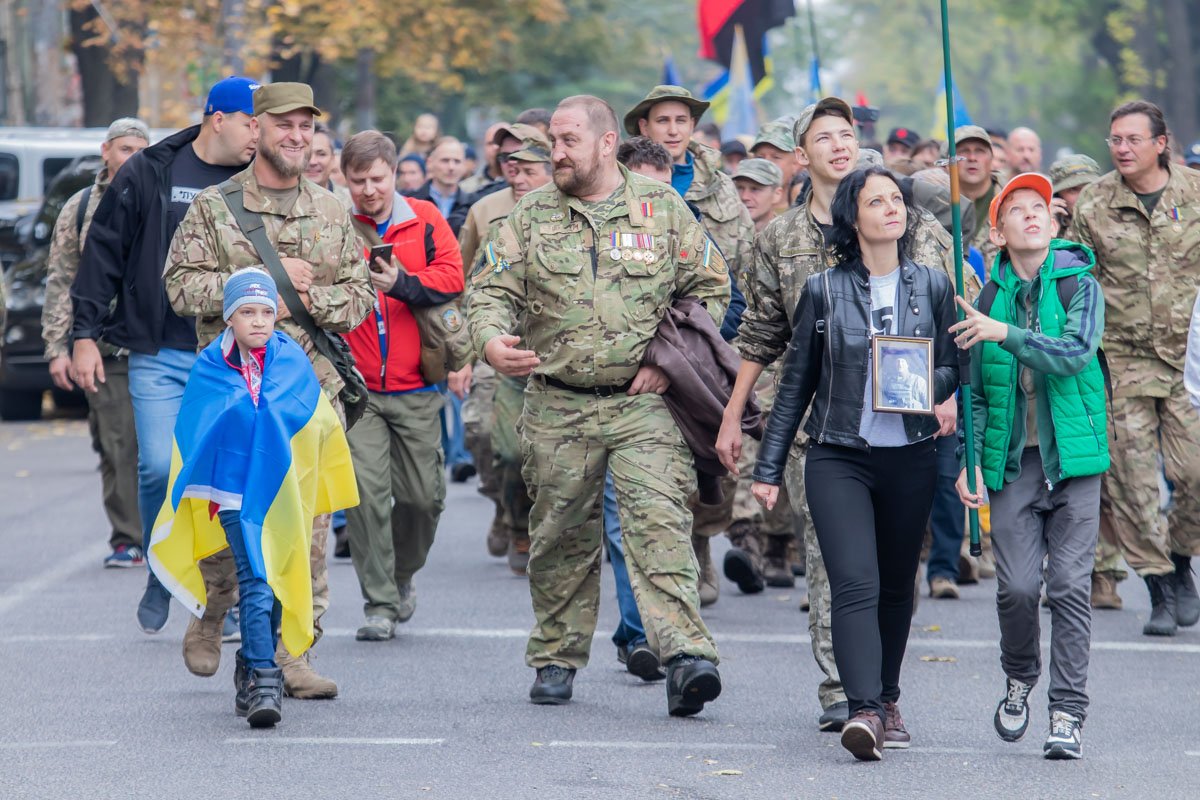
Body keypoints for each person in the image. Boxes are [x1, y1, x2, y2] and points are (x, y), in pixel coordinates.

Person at [467, 94, 729, 715]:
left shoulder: (661, 209)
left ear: (607, 143)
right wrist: (490, 341)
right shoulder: (528, 218)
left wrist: (671, 362)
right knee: (560, 534)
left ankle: (687, 655)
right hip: (557, 404)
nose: (554, 153)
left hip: (643, 405)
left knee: (659, 525)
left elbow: (710, 289)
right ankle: (556, 655)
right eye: (552, 142)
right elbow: (488, 291)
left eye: (567, 142)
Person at [718, 97, 970, 733]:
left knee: (890, 577)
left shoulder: (926, 245)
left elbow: (954, 337)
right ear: (801, 156)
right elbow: (766, 336)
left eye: (847, 133)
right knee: (841, 568)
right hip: (821, 432)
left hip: (908, 440)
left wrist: (942, 392)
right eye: (823, 136)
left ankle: (881, 692)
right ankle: (850, 696)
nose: (839, 144)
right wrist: (735, 415)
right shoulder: (780, 239)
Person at [163, 81, 375, 697]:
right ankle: (215, 606)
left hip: (308, 397)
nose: (297, 137)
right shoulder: (214, 207)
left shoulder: (333, 211)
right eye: (284, 125)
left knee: (306, 526)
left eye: (307, 127)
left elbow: (360, 298)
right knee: (231, 519)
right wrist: (261, 290)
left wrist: (310, 298)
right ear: (255, 130)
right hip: (233, 395)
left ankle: (293, 652)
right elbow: (180, 287)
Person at [71, 75, 259, 642]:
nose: (261, 134)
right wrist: (83, 334)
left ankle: (214, 589)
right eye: (253, 122)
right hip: (157, 349)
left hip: (226, 354)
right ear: (217, 118)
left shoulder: (257, 180)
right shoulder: (151, 169)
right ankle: (160, 561)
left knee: (221, 476)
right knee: (157, 465)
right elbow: (103, 251)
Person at [148, 269, 358, 728]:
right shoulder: (210, 366)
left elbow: (317, 422)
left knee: (282, 575)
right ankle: (265, 678)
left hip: (284, 491)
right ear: (228, 318)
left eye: (266, 311)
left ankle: (248, 664)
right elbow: (196, 429)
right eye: (247, 312)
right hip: (231, 492)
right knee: (256, 577)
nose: (259, 321)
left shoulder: (292, 361)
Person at [953, 172, 1108, 760]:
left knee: (1069, 586)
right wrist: (970, 460)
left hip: (1076, 460)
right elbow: (975, 392)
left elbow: (1074, 355)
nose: (1032, 215)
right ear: (998, 230)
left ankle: (1067, 712)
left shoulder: (1079, 286)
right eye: (1016, 209)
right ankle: (1020, 674)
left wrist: (1009, 334)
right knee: (1017, 588)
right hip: (1014, 463)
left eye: (1040, 207)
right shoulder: (985, 298)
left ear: (1054, 220)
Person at [1070, 100, 1200, 636]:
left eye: (1133, 139)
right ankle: (1158, 585)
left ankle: (1182, 554)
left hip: (1188, 360)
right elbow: (1074, 281)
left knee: (1194, 471)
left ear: (1161, 143)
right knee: (1132, 481)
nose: (1122, 149)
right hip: (1120, 361)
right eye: (1115, 140)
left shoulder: (1194, 192)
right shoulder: (1095, 203)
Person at [625, 84, 755, 604]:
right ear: (643, 129)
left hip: (708, 343)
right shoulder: (615, 190)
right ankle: (670, 574)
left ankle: (701, 543)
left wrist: (707, 348)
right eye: (664, 121)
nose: (675, 130)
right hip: (634, 361)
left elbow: (738, 274)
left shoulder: (718, 190)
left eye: (683, 120)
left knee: (710, 462)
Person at [337, 131, 464, 641]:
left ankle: (403, 576)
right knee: (366, 498)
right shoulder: (336, 223)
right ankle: (380, 604)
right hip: (359, 390)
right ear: (344, 180)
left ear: (394, 173)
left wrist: (403, 285)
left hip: (416, 386)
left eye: (377, 178)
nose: (368, 189)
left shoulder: (426, 219)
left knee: (422, 499)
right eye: (358, 180)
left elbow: (454, 277)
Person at [43, 117, 150, 568]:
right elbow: (62, 277)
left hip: (155, 344)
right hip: (102, 347)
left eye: (140, 150)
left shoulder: (157, 198)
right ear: (105, 151)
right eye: (125, 149)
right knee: (116, 444)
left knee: (160, 449)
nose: (132, 158)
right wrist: (57, 346)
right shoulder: (81, 207)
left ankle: (167, 538)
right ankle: (127, 539)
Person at [457, 127, 552, 567]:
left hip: (566, 357)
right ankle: (513, 517)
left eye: (529, 169)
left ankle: (544, 529)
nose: (517, 177)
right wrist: (468, 348)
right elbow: (470, 286)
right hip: (507, 352)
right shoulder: (489, 214)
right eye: (512, 167)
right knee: (502, 447)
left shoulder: (581, 212)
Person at [951, 125, 1005, 269]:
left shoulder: (1010, 201)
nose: (972, 158)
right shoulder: (939, 203)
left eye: (980, 151)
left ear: (991, 158)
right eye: (964, 151)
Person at [405, 137, 472, 236]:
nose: (451, 167)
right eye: (445, 160)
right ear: (429, 163)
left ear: (464, 166)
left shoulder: (473, 205)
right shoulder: (410, 202)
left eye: (457, 161)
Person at [1048, 154, 1101, 238]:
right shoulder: (1049, 228)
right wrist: (1045, 224)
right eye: (1073, 190)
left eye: (1089, 187)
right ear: (1058, 196)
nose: (1083, 195)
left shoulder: (1116, 219)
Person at [749, 120, 798, 210]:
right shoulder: (741, 209)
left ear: (795, 164)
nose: (766, 164)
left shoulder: (808, 210)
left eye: (776, 157)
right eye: (760, 157)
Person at [733, 158, 784, 233]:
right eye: (740, 188)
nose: (744, 197)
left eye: (755, 189)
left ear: (776, 194)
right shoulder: (720, 233)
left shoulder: (790, 237)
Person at [304, 122, 350, 206]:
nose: (312, 162)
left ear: (333, 159)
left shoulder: (350, 203)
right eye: (306, 154)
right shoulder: (281, 202)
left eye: (321, 154)